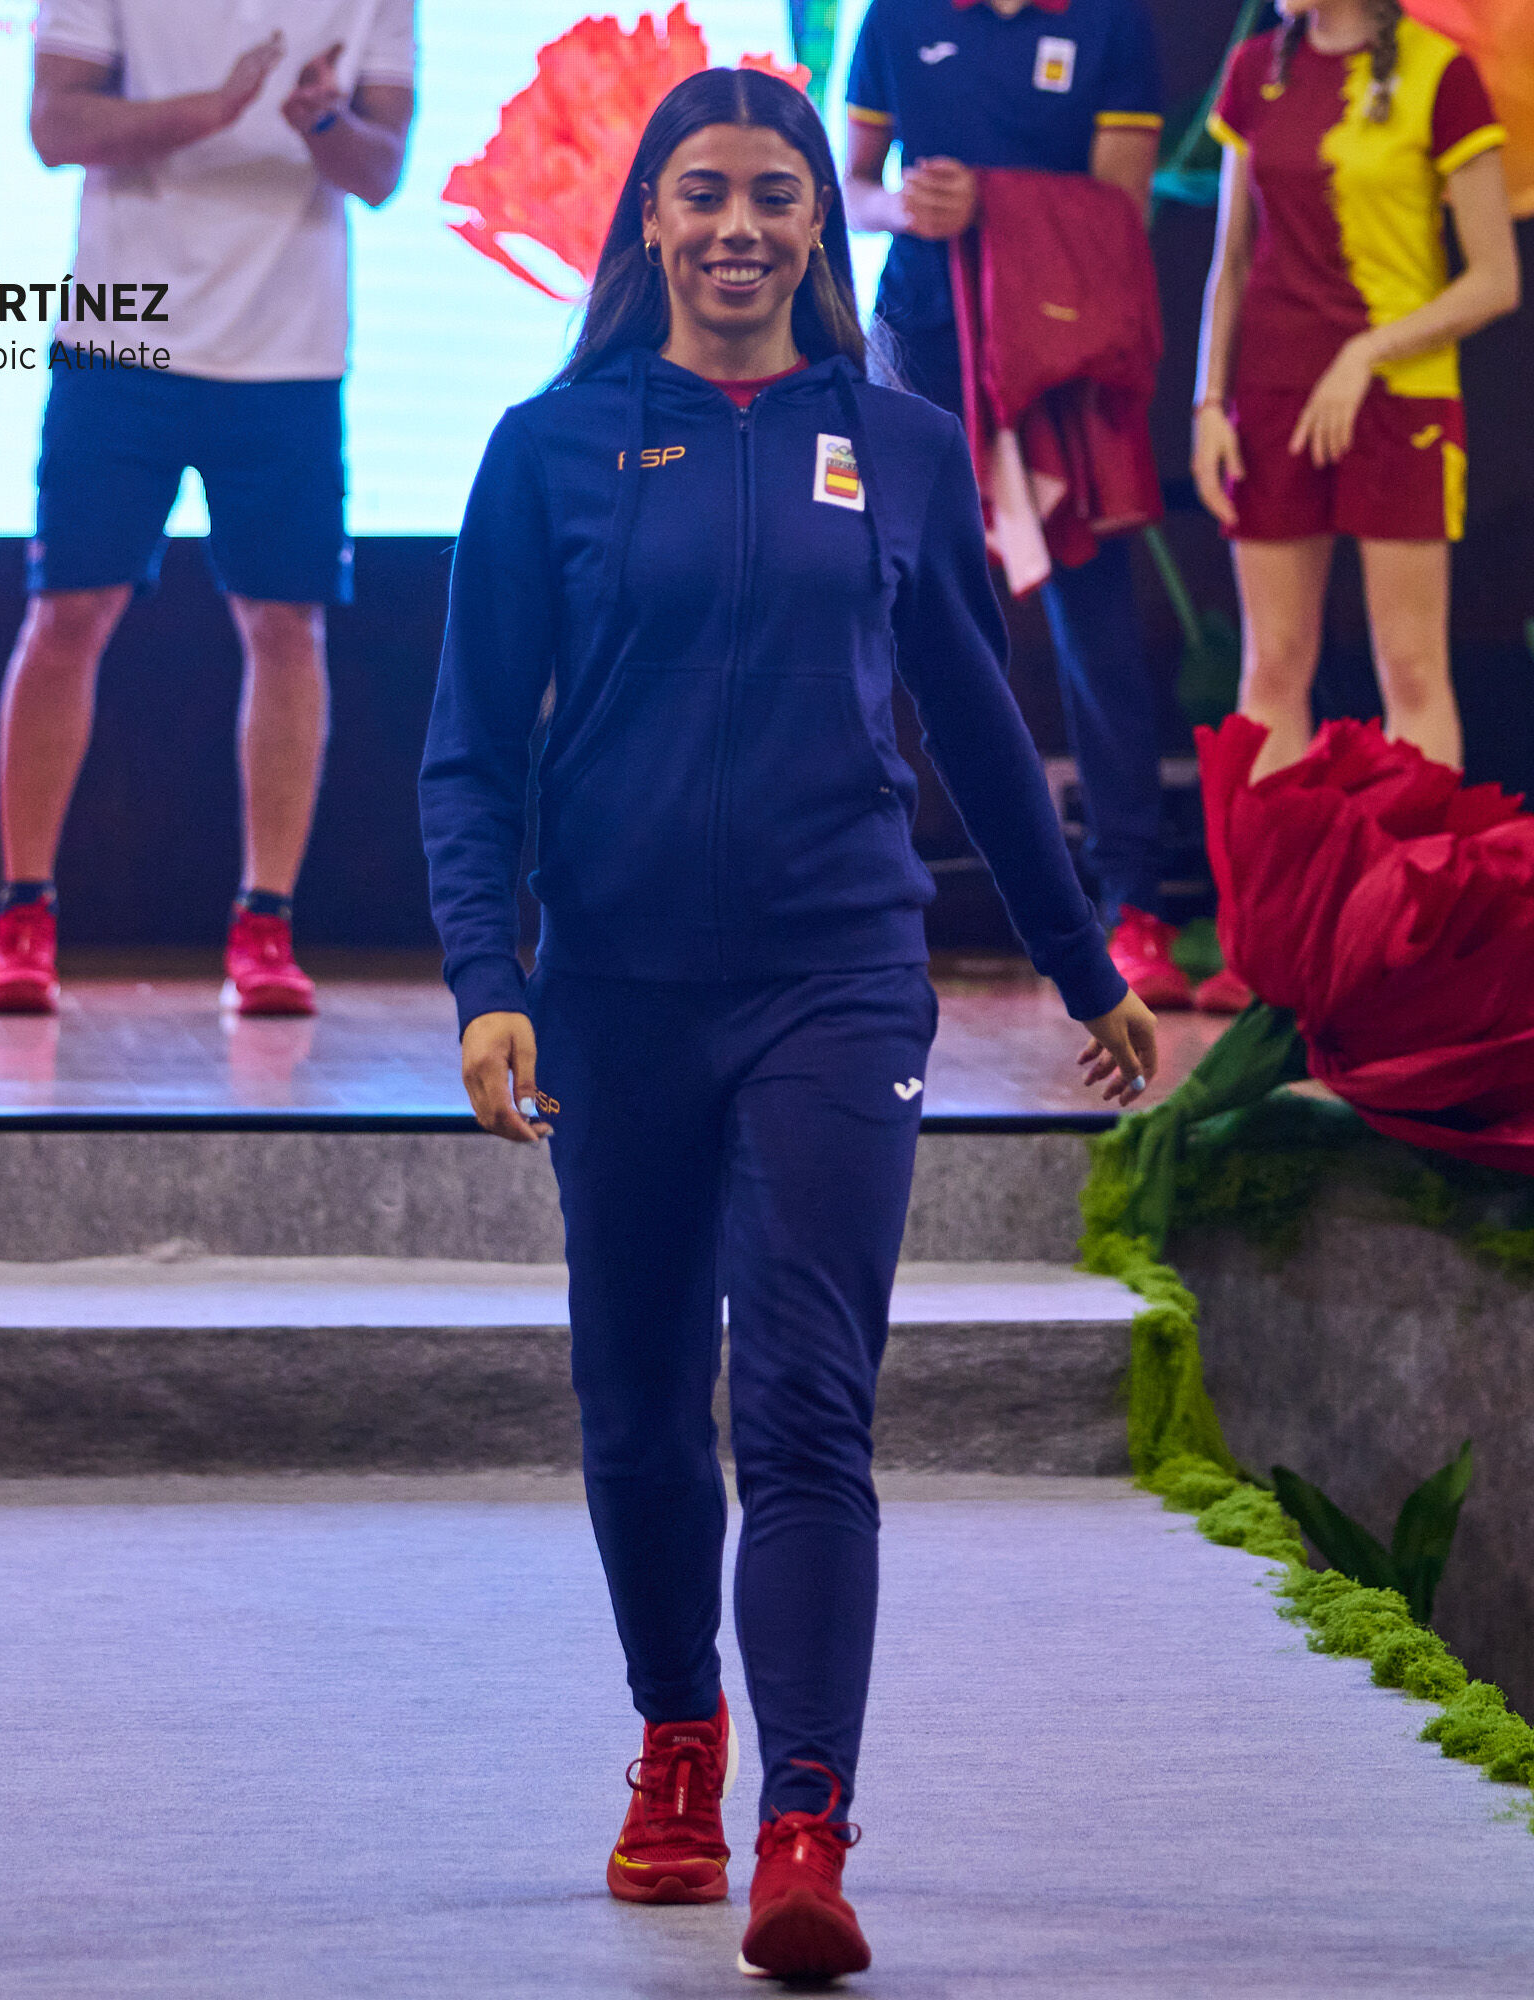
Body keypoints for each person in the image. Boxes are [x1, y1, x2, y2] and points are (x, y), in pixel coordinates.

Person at [419, 66, 1157, 1985]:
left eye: (775, 196)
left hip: (840, 973)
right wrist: (490, 982)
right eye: (702, 194)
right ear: (647, 221)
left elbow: (984, 734)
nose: (739, 227)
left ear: (825, 228)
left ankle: (805, 1830)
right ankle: (681, 1739)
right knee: (642, 1405)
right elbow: (473, 753)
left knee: (810, 1397)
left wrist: (1086, 969)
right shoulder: (550, 447)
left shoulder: (897, 446)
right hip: (618, 993)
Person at [0, 1, 415, 1018]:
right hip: (119, 339)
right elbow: (55, 127)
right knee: (66, 615)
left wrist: (319, 122)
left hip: (289, 351)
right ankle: (22, 916)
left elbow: (381, 169)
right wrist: (208, 110)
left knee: (285, 626)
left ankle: (266, 923)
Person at [840, 0, 1206, 1008]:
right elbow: (852, 184)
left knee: (1094, 622)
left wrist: (989, 200)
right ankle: (846, 895)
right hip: (919, 337)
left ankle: (1131, 910)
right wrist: (907, 209)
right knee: (871, 606)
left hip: (1057, 348)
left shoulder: (1108, 22)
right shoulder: (897, 17)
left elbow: (1121, 200)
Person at [1192, 0, 1519, 783]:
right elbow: (1229, 262)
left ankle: (1417, 898)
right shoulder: (1252, 69)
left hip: (1401, 398)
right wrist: (1208, 404)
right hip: (1269, 400)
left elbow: (1496, 280)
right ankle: (1272, 903)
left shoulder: (1440, 72)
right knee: (1271, 670)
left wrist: (1366, 354)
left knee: (1410, 671)